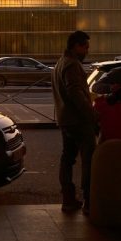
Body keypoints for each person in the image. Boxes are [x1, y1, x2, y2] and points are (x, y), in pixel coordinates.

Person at [51, 30, 97, 213]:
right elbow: (75, 93)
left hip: (65, 120)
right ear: (75, 46)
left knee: (67, 158)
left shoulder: (59, 63)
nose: (87, 50)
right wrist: (91, 114)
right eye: (85, 46)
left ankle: (68, 199)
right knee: (89, 159)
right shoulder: (72, 65)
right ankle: (89, 200)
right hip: (78, 120)